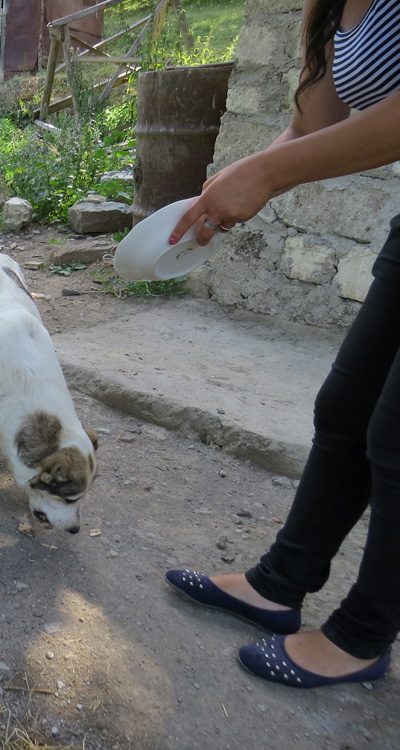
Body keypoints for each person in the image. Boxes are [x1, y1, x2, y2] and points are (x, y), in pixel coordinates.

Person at [164, 0, 400, 688]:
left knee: (395, 436)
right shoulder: (334, 8)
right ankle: (279, 584)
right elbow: (310, 124)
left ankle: (361, 636)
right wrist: (232, 185)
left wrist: (269, 176)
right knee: (347, 410)